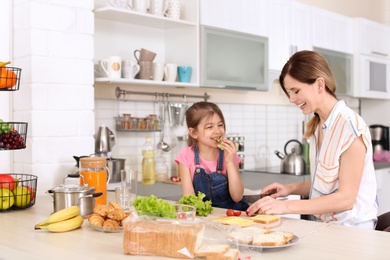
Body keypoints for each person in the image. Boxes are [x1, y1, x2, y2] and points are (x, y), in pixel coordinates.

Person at [246, 50, 378, 229]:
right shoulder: (319, 125)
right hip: (327, 227)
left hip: (352, 231)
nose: (292, 99)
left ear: (319, 84)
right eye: (289, 93)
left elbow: (346, 198)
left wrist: (285, 206)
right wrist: (289, 189)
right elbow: (326, 184)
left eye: (296, 91)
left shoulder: (349, 126)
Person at [175, 101, 249, 211]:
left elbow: (237, 197)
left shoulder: (229, 155)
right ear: (194, 133)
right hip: (204, 216)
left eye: (220, 125)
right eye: (209, 127)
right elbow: (189, 198)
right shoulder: (185, 155)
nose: (218, 131)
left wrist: (229, 161)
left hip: (230, 215)